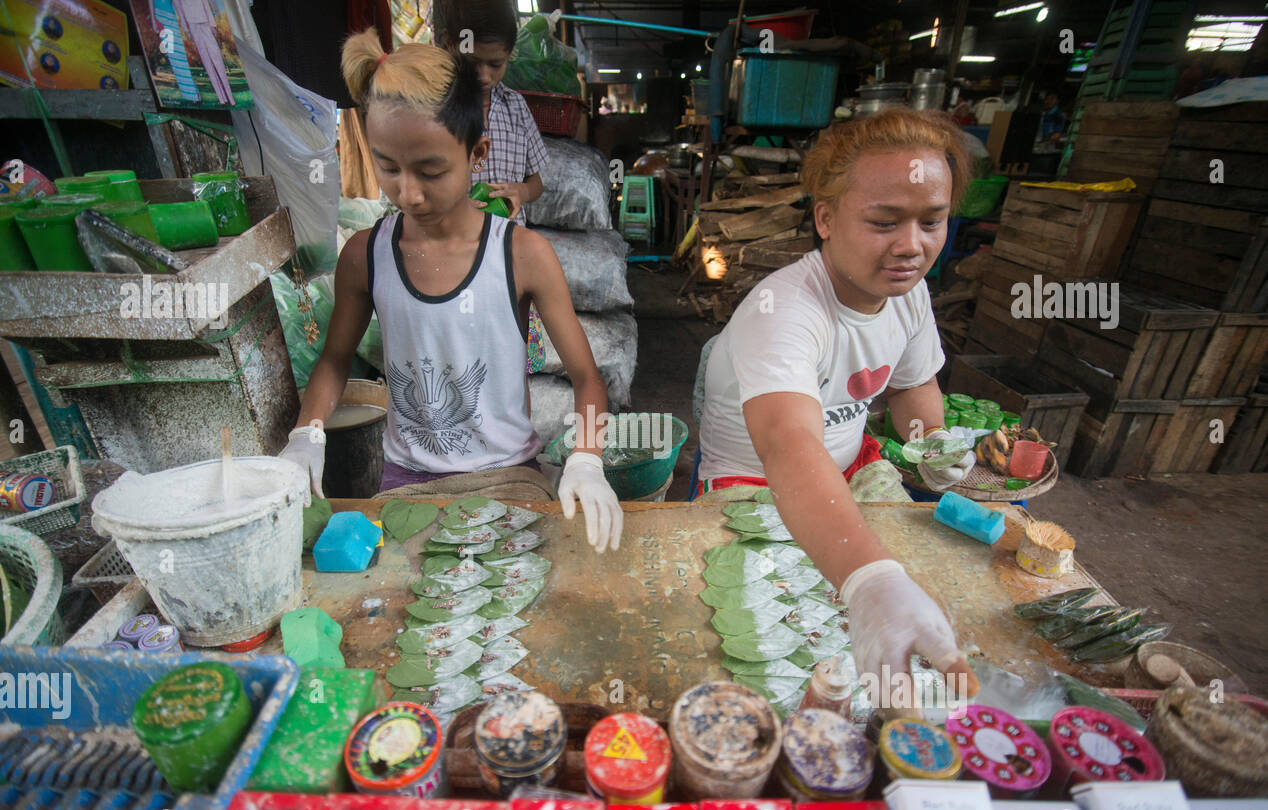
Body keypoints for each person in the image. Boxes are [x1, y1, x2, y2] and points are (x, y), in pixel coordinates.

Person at [279, 31, 623, 553]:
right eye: (388, 168)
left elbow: (587, 378)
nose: (408, 192)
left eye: (431, 170)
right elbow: (333, 361)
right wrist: (306, 435)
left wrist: (586, 458)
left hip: (508, 477)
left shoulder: (522, 255)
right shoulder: (365, 254)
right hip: (407, 481)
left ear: (477, 154)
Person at [696, 109, 979, 701]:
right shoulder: (785, 311)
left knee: (919, 588)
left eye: (933, 221)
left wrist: (932, 444)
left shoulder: (909, 292)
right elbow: (789, 445)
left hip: (851, 468)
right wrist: (869, 579)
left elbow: (908, 385)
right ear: (825, 218)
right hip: (759, 483)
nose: (912, 246)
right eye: (884, 222)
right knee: (777, 633)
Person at [434, 0, 551, 373]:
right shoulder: (437, 108)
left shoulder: (516, 107)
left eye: (495, 64)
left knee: (511, 360)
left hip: (509, 257)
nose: (483, 75)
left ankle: (517, 428)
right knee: (460, 363)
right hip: (453, 260)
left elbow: (539, 179)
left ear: (509, 56)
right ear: (449, 43)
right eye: (472, 63)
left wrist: (521, 192)